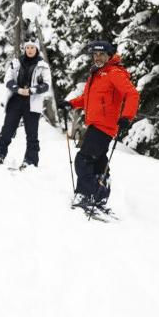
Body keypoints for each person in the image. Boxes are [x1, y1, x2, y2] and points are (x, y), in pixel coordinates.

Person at [58, 40, 140, 212]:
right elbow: (88, 100)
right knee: (98, 162)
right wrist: (70, 104)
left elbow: (132, 94)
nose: (98, 57)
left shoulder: (114, 73)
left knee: (83, 159)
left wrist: (127, 116)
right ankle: (100, 195)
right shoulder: (97, 74)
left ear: (109, 55)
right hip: (96, 125)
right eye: (95, 54)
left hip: (104, 126)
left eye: (102, 54)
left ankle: (84, 194)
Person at [0, 40, 51, 167]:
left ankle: (30, 161)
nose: (29, 50)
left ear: (36, 49)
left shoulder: (43, 66)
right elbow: (7, 79)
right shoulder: (16, 62)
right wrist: (17, 89)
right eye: (27, 47)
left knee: (32, 134)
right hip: (16, 100)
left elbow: (47, 85)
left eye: (32, 48)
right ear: (25, 49)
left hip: (32, 102)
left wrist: (32, 90)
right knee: (7, 129)